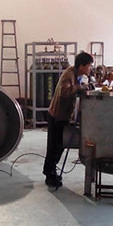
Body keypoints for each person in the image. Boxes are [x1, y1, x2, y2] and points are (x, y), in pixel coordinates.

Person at [42, 51, 94, 188]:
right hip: (57, 115)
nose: (90, 69)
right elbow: (64, 92)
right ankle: (49, 175)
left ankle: (52, 172)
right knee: (54, 146)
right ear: (81, 66)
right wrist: (81, 87)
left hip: (64, 116)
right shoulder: (68, 74)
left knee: (60, 146)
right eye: (89, 66)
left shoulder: (77, 75)